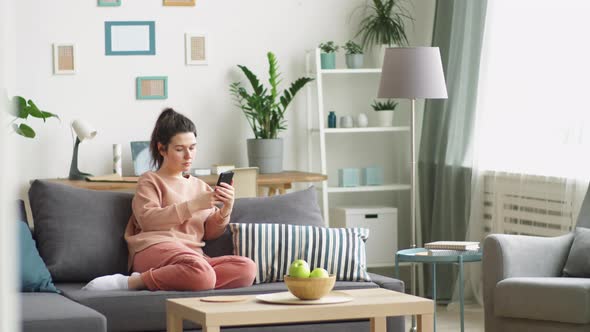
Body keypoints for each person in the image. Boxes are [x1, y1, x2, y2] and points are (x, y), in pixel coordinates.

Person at [83, 108, 257, 291]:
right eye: (180, 149)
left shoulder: (201, 187)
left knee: (247, 268)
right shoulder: (150, 180)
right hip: (155, 248)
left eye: (192, 147)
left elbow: (209, 233)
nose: (188, 155)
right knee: (203, 273)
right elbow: (148, 220)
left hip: (192, 256)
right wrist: (195, 204)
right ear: (162, 148)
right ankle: (132, 282)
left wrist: (226, 209)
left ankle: (189, 277)